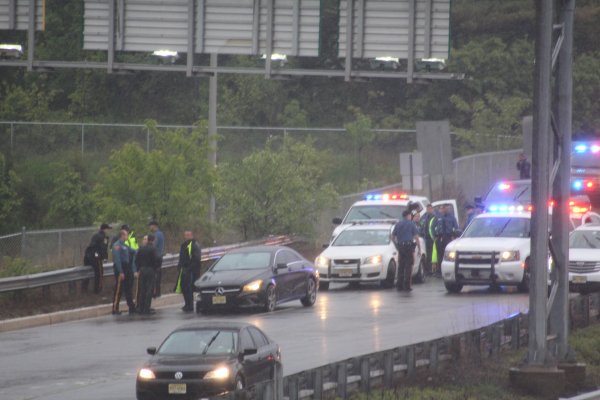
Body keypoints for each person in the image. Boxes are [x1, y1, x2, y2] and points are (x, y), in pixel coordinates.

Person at [392, 210, 421, 292]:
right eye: (410, 215)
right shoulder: (411, 224)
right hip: (408, 247)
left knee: (401, 266)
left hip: (401, 247)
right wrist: (419, 248)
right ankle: (407, 285)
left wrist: (397, 246)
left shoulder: (398, 224)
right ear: (408, 215)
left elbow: (392, 237)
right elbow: (416, 237)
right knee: (408, 266)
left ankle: (399, 285)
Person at [111, 229, 138, 315]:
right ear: (122, 235)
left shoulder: (125, 245)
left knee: (128, 288)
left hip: (127, 267)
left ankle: (131, 306)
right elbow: (117, 259)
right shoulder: (117, 245)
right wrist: (121, 271)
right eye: (126, 235)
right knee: (119, 289)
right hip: (121, 268)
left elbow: (133, 251)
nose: (127, 237)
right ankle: (115, 308)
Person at [176, 230, 202, 312]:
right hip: (183, 269)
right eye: (185, 235)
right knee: (184, 288)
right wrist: (179, 266)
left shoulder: (194, 245)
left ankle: (190, 305)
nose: (186, 236)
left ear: (192, 235)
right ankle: (187, 304)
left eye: (188, 235)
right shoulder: (184, 245)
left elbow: (197, 259)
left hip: (191, 271)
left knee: (189, 288)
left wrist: (190, 269)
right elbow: (181, 257)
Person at [82, 223, 111, 293]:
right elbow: (103, 248)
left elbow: (91, 245)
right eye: (108, 229)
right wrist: (104, 257)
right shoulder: (104, 237)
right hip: (96, 257)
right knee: (99, 273)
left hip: (88, 256)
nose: (108, 231)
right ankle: (97, 290)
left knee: (86, 273)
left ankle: (84, 288)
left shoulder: (95, 235)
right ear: (105, 229)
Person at [135, 234, 160, 315]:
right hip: (150, 270)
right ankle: (146, 308)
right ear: (153, 240)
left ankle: (140, 308)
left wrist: (138, 269)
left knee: (142, 289)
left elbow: (136, 260)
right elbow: (156, 260)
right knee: (149, 289)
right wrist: (156, 268)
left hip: (142, 270)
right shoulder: (153, 249)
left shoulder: (141, 248)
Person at [435, 205, 459, 273]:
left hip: (448, 237)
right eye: (442, 208)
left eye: (445, 208)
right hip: (440, 237)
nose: (444, 210)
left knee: (449, 254)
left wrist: (454, 236)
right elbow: (434, 227)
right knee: (440, 254)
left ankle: (449, 270)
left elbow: (456, 228)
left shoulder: (451, 217)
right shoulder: (438, 217)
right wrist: (435, 236)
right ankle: (439, 270)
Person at [149, 220, 165, 298]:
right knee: (158, 274)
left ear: (154, 226)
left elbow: (153, 245)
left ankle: (155, 292)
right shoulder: (160, 234)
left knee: (155, 275)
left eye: (150, 226)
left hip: (156, 257)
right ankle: (157, 291)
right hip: (159, 256)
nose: (150, 227)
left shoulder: (157, 235)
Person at [419, 205, 437, 276]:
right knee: (428, 255)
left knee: (432, 255)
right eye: (427, 209)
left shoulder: (434, 217)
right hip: (426, 238)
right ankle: (428, 270)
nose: (428, 210)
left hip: (432, 238)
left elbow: (433, 228)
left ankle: (432, 270)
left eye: (429, 209)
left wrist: (434, 237)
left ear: (432, 209)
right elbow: (423, 225)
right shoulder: (426, 217)